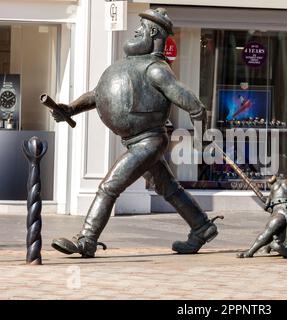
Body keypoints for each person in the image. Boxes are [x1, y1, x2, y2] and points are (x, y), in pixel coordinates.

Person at [50, 8, 221, 258]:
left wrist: (200, 136)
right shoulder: (131, 66)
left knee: (109, 186)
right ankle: (201, 226)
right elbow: (98, 94)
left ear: (153, 33)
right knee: (168, 188)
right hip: (136, 142)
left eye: (141, 28)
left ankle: (87, 240)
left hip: (148, 142)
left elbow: (191, 102)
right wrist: (71, 109)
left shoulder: (155, 69)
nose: (136, 31)